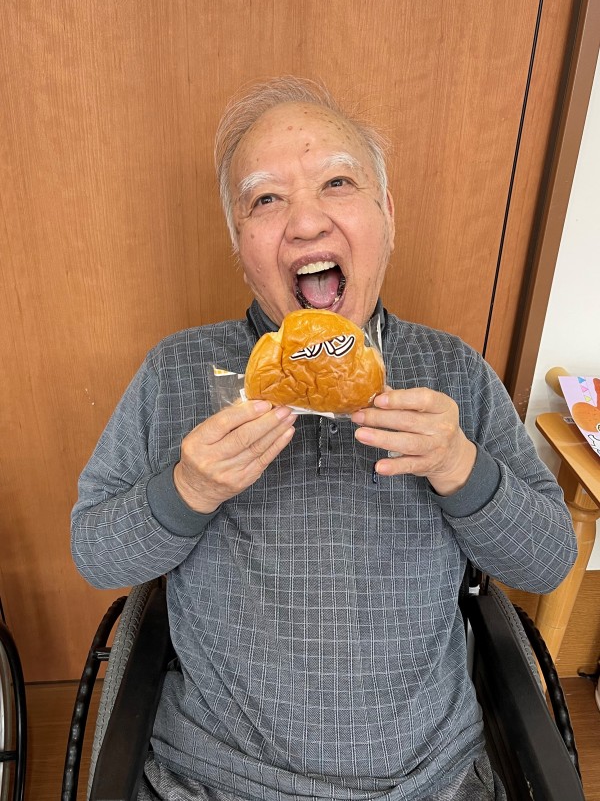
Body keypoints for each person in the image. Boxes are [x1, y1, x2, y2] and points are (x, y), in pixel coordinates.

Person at [71, 76, 577, 801]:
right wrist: (186, 491)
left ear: (387, 214)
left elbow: (549, 559)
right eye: (265, 199)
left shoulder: (452, 373)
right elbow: (95, 552)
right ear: (239, 244)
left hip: (428, 780)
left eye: (337, 182)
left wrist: (463, 468)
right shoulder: (177, 370)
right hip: (212, 779)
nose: (305, 223)